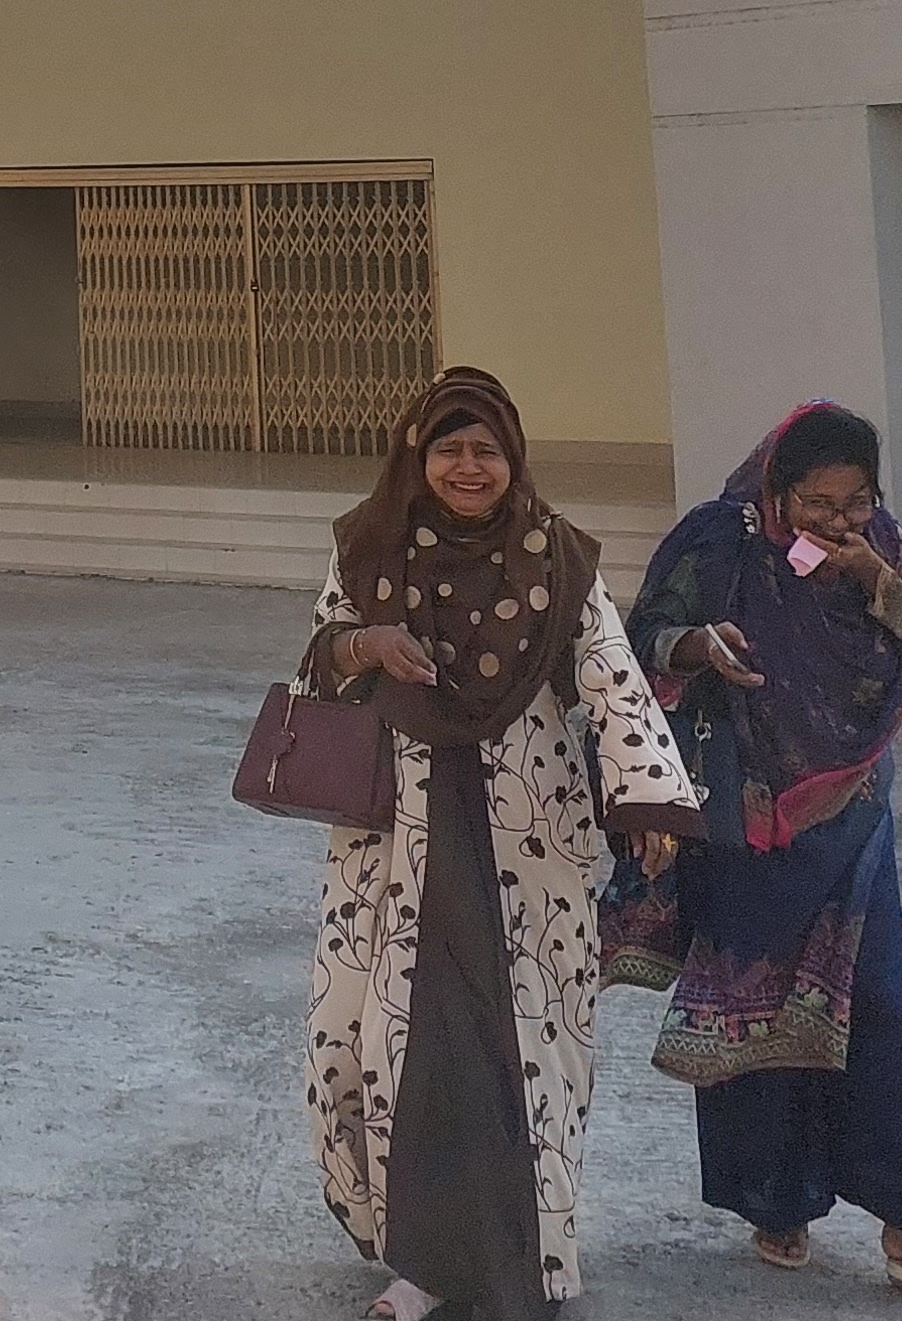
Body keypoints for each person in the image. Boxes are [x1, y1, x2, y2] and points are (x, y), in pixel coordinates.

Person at [300, 366, 704, 1320]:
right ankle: (423, 1264)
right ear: (418, 456)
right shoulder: (370, 546)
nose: (469, 467)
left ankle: (534, 1260)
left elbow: (608, 671)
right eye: (449, 448)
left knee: (528, 1046)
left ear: (514, 458)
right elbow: (321, 653)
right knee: (388, 1042)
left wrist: (648, 798)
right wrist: (369, 644)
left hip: (530, 837)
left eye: (487, 449)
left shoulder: (556, 556)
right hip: (395, 836)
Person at [601, 401, 902, 1313]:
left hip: (851, 820)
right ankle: (776, 1202)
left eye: (857, 501)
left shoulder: (882, 549)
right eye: (819, 504)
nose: (840, 521)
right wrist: (698, 646)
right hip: (742, 823)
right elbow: (637, 637)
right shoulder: (718, 541)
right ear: (778, 492)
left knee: (883, 1012)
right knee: (753, 1015)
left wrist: (878, 582)